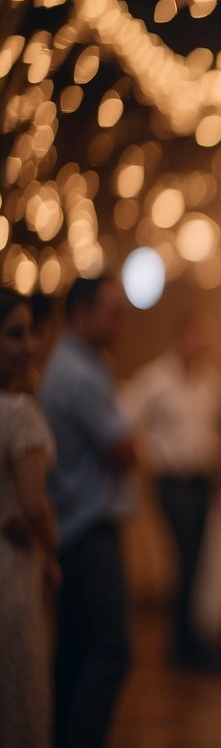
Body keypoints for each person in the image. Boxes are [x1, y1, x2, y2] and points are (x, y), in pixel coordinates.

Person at [40, 275, 139, 748]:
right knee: (110, 651)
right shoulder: (77, 373)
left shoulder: (84, 364)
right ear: (81, 314)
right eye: (113, 313)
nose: (121, 323)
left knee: (76, 652)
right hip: (85, 528)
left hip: (77, 524)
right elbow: (123, 449)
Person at [120, 309, 221, 670]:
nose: (204, 344)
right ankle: (181, 646)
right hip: (173, 482)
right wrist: (148, 460)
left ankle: (189, 641)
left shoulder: (209, 381)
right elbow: (125, 419)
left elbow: (215, 430)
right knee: (184, 560)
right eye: (197, 336)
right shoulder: (156, 379)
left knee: (199, 562)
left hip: (202, 480)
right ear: (180, 338)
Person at [0, 286, 60, 748]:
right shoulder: (18, 413)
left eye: (31, 332)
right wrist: (54, 549)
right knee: (17, 699)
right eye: (15, 335)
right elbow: (34, 504)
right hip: (11, 568)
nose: (31, 345)